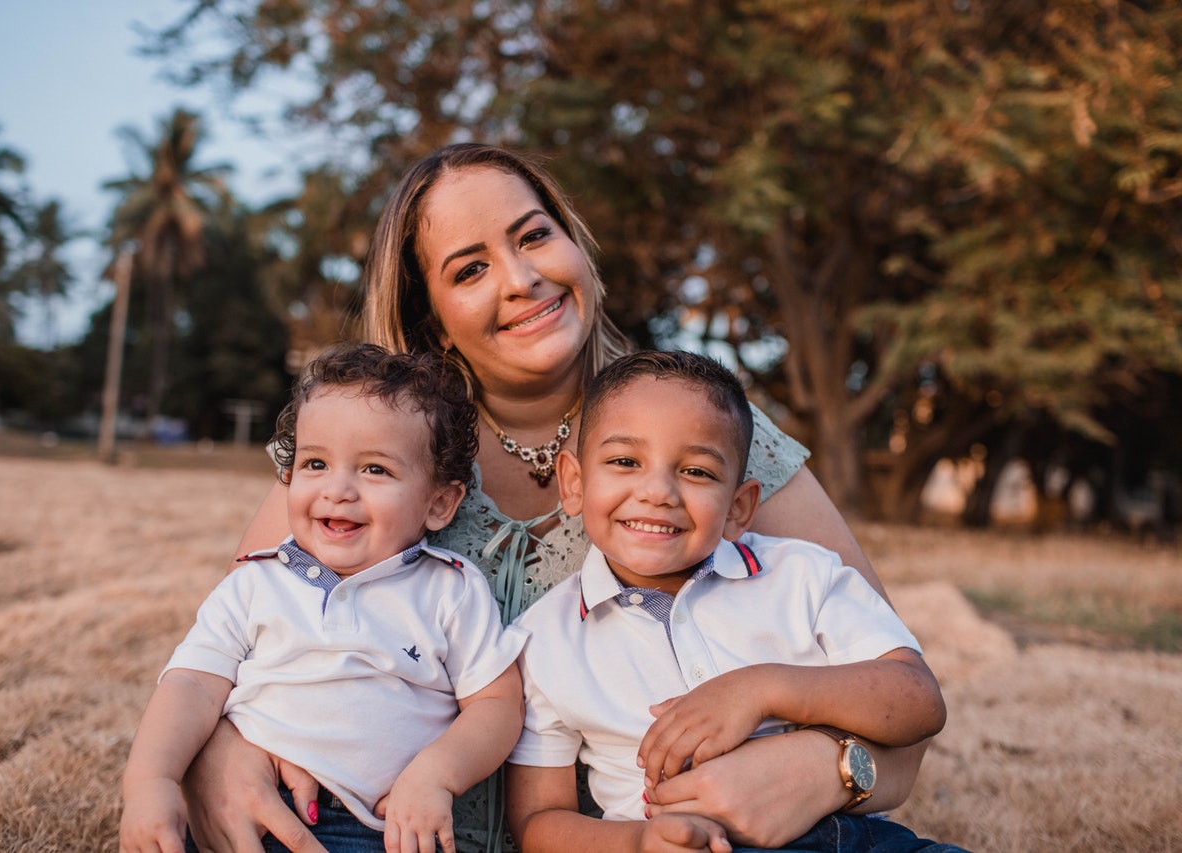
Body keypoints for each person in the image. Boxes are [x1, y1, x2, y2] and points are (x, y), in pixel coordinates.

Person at [181, 143, 933, 853]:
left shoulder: (708, 431)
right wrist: (216, 753)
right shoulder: (371, 453)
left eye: (533, 236)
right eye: (470, 270)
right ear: (430, 319)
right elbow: (236, 635)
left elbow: (903, 716)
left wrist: (826, 768)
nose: (520, 279)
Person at [505, 350, 959, 853]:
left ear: (739, 507)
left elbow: (920, 700)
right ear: (574, 483)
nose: (658, 492)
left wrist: (763, 688)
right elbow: (538, 822)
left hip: (845, 837)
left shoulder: (802, 575)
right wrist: (639, 841)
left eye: (696, 472)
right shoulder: (544, 638)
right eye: (624, 462)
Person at [119, 343, 526, 853]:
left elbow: (496, 705)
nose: (338, 490)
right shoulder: (256, 582)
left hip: (379, 828)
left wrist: (437, 776)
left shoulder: (450, 588)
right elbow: (193, 686)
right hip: (248, 805)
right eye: (315, 463)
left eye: (375, 470)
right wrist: (150, 783)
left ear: (440, 502)